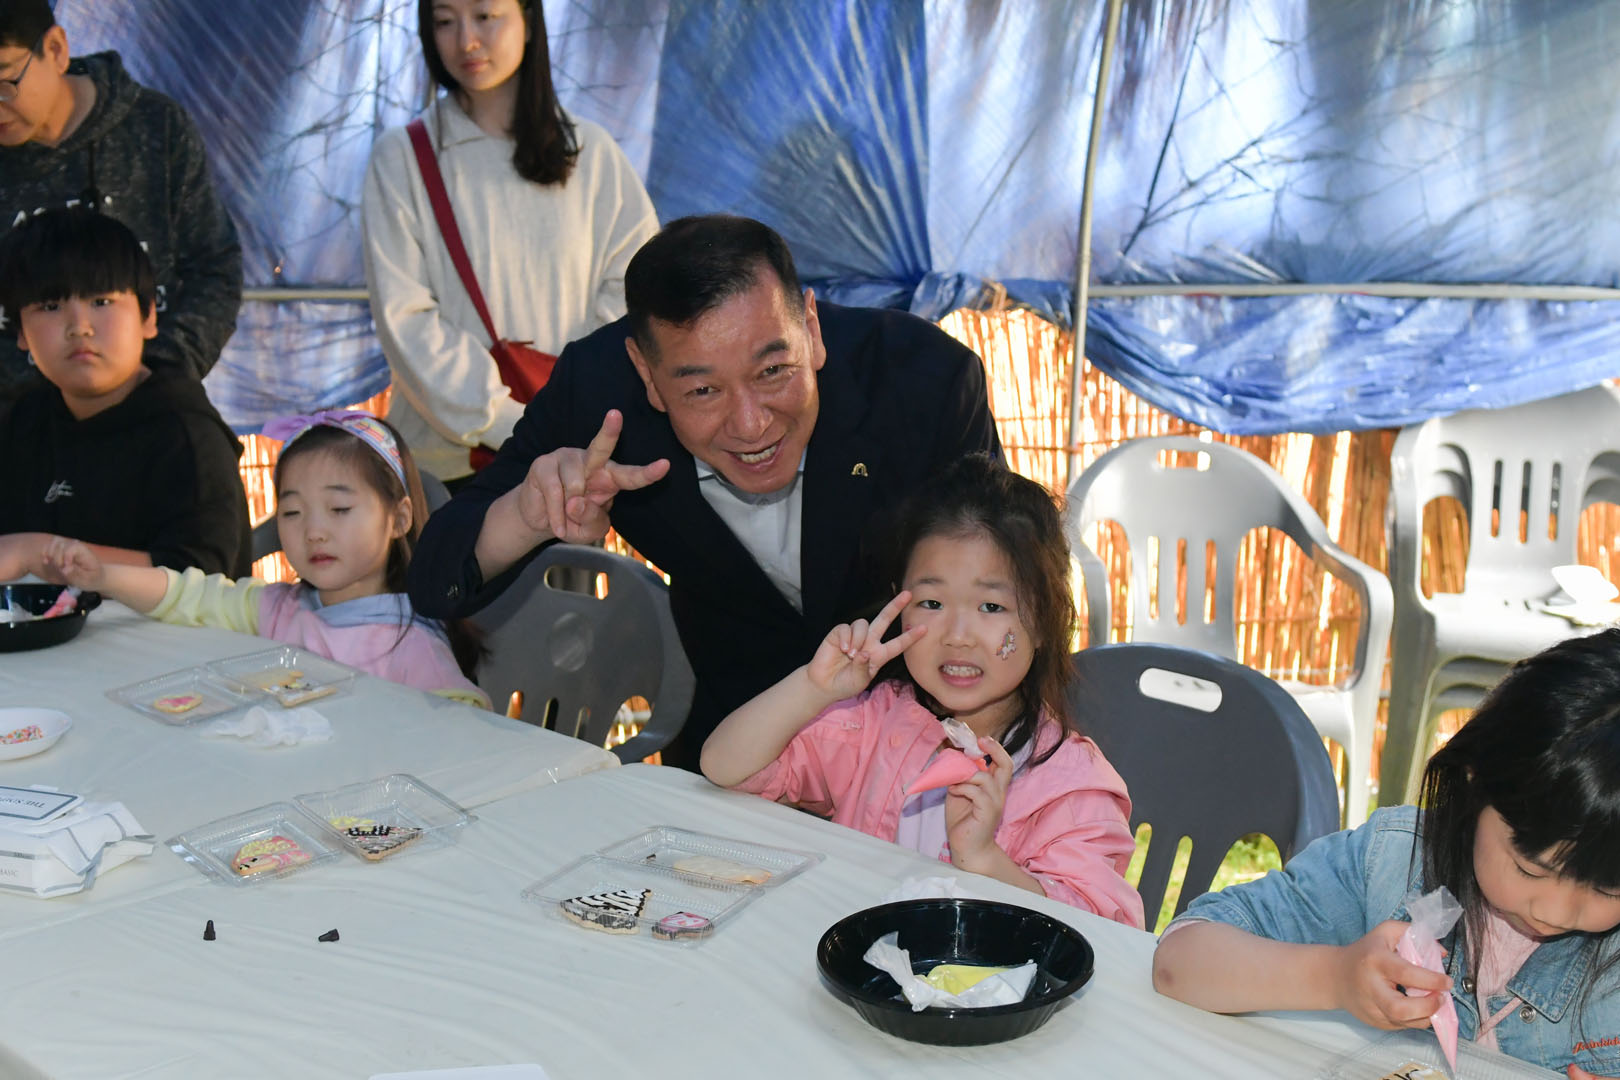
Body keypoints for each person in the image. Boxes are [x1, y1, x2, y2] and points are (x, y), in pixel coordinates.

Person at [410, 213, 1002, 766]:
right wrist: (528, 515)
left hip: (922, 741)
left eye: (773, 371)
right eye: (702, 392)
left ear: (811, 328)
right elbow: (434, 577)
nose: (751, 425)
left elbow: (1009, 586)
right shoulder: (598, 397)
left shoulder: (922, 381)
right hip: (731, 746)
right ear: (646, 375)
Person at [1152, 628, 1620, 1079]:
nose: (1555, 912)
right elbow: (1179, 962)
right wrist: (1336, 977)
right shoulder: (1392, 863)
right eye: (1530, 869)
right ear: (1476, 780)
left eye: (1607, 889)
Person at [699, 455, 1142, 923]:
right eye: (931, 602)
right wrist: (812, 688)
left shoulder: (1071, 787)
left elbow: (1102, 930)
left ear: (1046, 620)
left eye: (991, 607)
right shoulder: (871, 723)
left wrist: (985, 860)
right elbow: (724, 767)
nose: (958, 636)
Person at [362, 0, 658, 482]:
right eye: (444, 21)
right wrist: (509, 421)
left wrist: (577, 403)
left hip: (577, 452)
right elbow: (406, 318)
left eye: (485, 16)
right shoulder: (402, 158)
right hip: (454, 468)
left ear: (528, 21)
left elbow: (634, 288)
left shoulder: (591, 152)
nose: (466, 41)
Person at [44, 410, 489, 707]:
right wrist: (105, 577)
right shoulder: (279, 609)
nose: (314, 530)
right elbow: (186, 595)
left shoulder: (411, 643)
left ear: (399, 518)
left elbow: (465, 730)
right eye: (292, 512)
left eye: (339, 509)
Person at [0, 0, 242, 402]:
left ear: (56, 50)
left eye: (5, 82)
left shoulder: (155, 128)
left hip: (150, 405)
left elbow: (214, 267)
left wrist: (157, 377)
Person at [0, 207, 249, 581]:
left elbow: (201, 579)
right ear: (20, 332)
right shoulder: (22, 424)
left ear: (148, 316)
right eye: (50, 307)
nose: (79, 327)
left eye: (101, 302)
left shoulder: (186, 436)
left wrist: (36, 554)